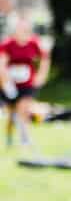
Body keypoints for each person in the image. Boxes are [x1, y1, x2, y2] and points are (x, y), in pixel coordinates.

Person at [0, 15, 51, 147]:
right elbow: (2, 65)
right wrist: (6, 83)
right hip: (10, 85)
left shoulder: (34, 43)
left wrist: (41, 76)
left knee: (23, 108)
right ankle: (9, 136)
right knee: (12, 113)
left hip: (27, 84)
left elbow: (45, 59)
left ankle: (25, 138)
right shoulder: (7, 44)